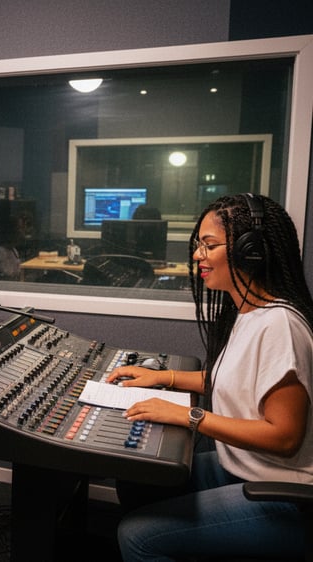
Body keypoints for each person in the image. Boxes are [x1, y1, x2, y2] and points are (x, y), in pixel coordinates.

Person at [106, 194, 313, 560]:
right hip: (243, 465)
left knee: (137, 536)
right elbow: (232, 380)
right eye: (199, 245)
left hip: (283, 493)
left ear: (251, 251)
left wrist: (190, 416)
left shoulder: (280, 325)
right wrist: (163, 377)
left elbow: (284, 438)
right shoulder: (250, 312)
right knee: (141, 477)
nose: (197, 255)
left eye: (209, 245)